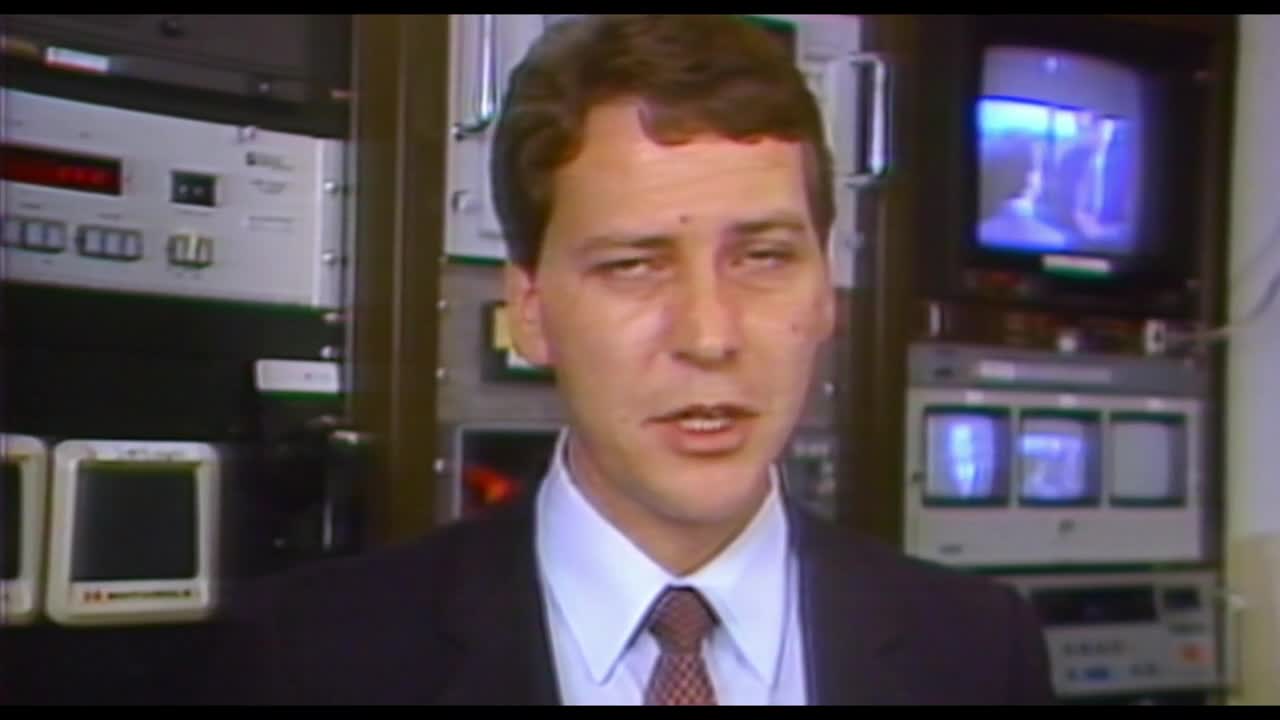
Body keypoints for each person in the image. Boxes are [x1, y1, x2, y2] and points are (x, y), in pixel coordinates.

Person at [202, 14, 1055, 705]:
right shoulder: (307, 657)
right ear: (531, 312)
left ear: (827, 290)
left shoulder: (978, 651)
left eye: (764, 257)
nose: (710, 336)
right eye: (633, 266)